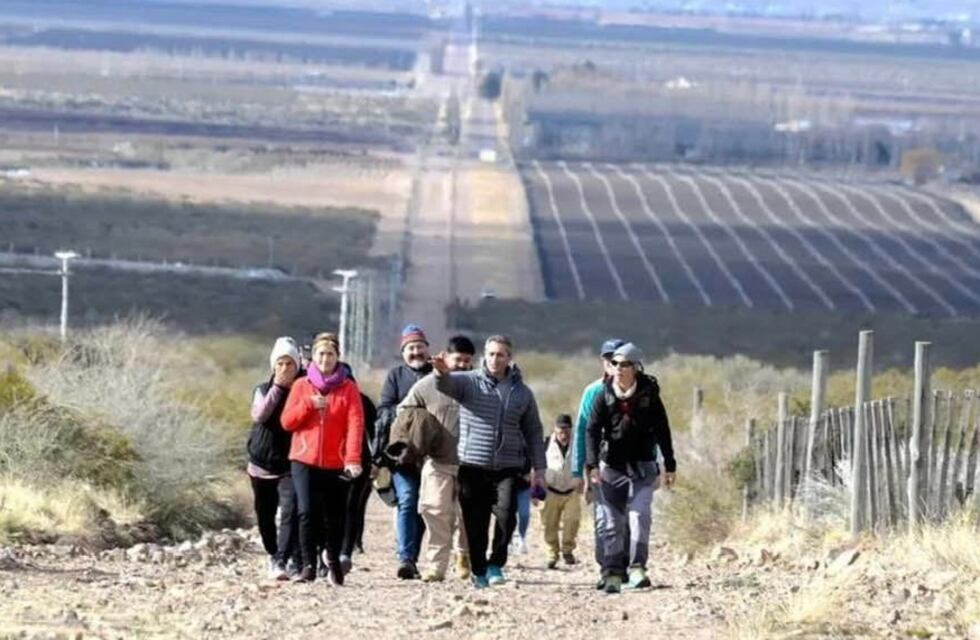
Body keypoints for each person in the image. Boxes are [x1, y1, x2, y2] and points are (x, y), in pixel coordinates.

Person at [432, 335, 547, 589]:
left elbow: (534, 432)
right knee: (476, 523)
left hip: (507, 467)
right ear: (485, 356)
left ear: (509, 358)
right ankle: (479, 570)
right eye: (491, 354)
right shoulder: (469, 382)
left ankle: (496, 563)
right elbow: (447, 386)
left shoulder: (522, 393)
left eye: (501, 355)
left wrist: (540, 469)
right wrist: (441, 373)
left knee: (507, 516)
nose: (495, 359)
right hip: (472, 465)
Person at [585, 343, 676, 594]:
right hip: (611, 468)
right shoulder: (603, 395)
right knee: (612, 522)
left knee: (639, 516)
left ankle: (637, 569)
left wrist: (669, 465)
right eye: (614, 364)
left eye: (624, 364)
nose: (618, 369)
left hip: (643, 468)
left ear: (635, 367)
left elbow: (663, 430)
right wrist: (591, 465)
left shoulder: (649, 395)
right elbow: (591, 430)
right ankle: (612, 573)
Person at [281, 332, 365, 585]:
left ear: (337, 357)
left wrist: (352, 459)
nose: (325, 359)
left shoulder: (349, 388)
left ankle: (332, 559)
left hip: (335, 462)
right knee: (306, 511)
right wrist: (308, 405)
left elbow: (356, 424)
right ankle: (307, 564)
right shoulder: (301, 386)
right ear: (312, 358)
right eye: (320, 354)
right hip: (303, 459)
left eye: (330, 354)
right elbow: (287, 422)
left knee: (335, 515)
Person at [396, 335, 475, 582]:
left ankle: (463, 556)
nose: (462, 364)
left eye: (467, 360)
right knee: (436, 512)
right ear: (445, 356)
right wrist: (422, 427)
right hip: (437, 460)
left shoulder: (477, 385)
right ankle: (436, 566)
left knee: (467, 515)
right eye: (457, 359)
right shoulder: (426, 385)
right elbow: (404, 411)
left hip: (471, 463)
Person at [375, 324, 434, 580]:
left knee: (425, 506)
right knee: (408, 499)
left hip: (433, 454)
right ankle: (405, 558)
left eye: (420, 347)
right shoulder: (395, 376)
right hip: (402, 455)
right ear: (403, 352)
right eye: (411, 348)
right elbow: (383, 409)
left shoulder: (437, 375)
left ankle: (413, 556)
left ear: (427, 349)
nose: (416, 352)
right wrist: (405, 412)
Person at [246, 336, 303, 580]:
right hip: (261, 462)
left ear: (297, 366)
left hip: (291, 462)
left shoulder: (304, 389)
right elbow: (260, 415)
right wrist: (278, 389)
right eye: (280, 363)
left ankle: (283, 559)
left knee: (291, 510)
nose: (285, 369)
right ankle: (272, 553)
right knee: (265, 513)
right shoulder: (262, 390)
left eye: (290, 364)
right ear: (272, 366)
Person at [571, 338, 623, 590]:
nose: (614, 364)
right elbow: (582, 430)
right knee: (604, 518)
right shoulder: (593, 392)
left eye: (619, 359)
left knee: (627, 517)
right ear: (603, 362)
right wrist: (578, 469)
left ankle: (623, 566)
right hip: (600, 465)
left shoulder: (640, 390)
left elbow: (652, 430)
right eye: (609, 359)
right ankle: (606, 567)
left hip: (631, 465)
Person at [541, 414, 581, 570]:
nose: (563, 432)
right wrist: (535, 489)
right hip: (551, 490)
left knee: (572, 520)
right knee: (549, 524)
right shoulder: (545, 444)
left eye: (566, 429)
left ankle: (567, 550)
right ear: (555, 429)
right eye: (560, 429)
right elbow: (537, 467)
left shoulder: (578, 445)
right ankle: (552, 553)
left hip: (571, 491)